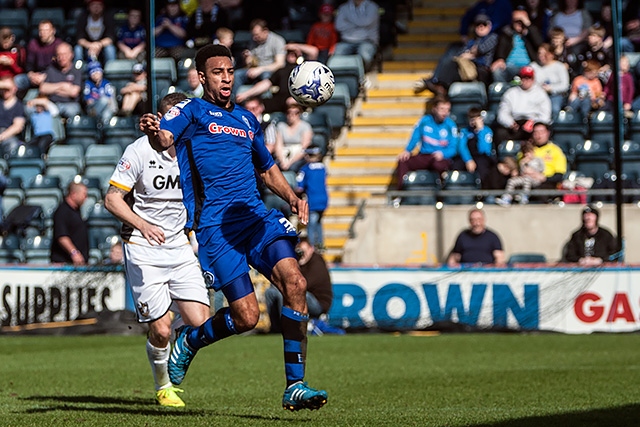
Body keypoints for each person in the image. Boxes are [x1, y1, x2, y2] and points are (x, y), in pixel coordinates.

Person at [141, 44, 327, 412]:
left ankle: (295, 385)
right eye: (217, 72)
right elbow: (164, 138)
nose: (226, 78)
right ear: (202, 77)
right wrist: (151, 130)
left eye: (229, 71)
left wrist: (291, 195)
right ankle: (191, 341)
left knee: (296, 282)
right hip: (216, 228)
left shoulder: (246, 120)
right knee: (246, 317)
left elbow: (267, 167)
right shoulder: (190, 111)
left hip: (255, 218)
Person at [104, 92, 210, 408]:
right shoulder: (137, 151)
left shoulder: (192, 150)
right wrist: (142, 224)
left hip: (178, 245)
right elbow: (111, 199)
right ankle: (163, 386)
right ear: (163, 119)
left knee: (201, 323)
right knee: (161, 330)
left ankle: (167, 331)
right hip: (143, 247)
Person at [265, 237, 339, 334]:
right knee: (270, 292)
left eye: (304, 251)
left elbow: (303, 284)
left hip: (318, 302)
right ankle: (276, 328)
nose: (302, 254)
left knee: (285, 293)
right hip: (303, 295)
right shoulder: (296, 261)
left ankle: (287, 328)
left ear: (311, 249)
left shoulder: (317, 262)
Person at [414, 14, 498, 94]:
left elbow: (481, 49)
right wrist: (471, 53)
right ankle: (438, 83)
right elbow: (462, 53)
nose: (481, 27)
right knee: (451, 56)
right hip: (467, 67)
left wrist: (471, 54)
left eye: (484, 24)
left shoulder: (492, 37)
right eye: (477, 24)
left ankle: (436, 82)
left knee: (453, 57)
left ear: (489, 26)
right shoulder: (472, 40)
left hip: (480, 68)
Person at [396, 96, 458, 190]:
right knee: (403, 160)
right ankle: (400, 194)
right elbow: (415, 137)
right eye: (442, 109)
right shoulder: (424, 121)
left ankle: (440, 194)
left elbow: (454, 147)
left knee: (438, 164)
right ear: (434, 109)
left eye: (447, 110)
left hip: (441, 157)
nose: (445, 112)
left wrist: (443, 154)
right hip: (425, 156)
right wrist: (407, 150)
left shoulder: (451, 125)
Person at [494, 65, 551, 145]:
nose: (526, 80)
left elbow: (545, 115)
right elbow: (503, 113)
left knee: (538, 132)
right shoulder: (511, 93)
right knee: (500, 132)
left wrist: (533, 123)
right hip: (515, 123)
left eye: (529, 78)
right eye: (524, 77)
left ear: (533, 79)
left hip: (532, 123)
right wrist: (510, 123)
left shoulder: (541, 93)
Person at [235, 47, 300, 113]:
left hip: (299, 104)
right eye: (289, 52)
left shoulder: (304, 71)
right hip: (280, 102)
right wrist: (245, 94)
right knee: (255, 105)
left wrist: (297, 100)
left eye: (294, 54)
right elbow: (266, 83)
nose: (291, 55)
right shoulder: (281, 71)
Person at [233, 19, 286, 97]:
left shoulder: (277, 41)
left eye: (257, 35)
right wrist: (247, 58)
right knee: (237, 74)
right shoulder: (253, 41)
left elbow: (280, 64)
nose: (255, 38)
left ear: (265, 31)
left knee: (266, 76)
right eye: (253, 35)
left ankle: (264, 102)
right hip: (254, 69)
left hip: (270, 71)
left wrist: (260, 69)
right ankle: (233, 100)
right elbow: (249, 63)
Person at [490, 8, 544, 83]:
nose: (519, 24)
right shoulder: (507, 34)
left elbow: (540, 44)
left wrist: (528, 24)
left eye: (521, 22)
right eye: (516, 21)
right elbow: (501, 49)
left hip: (528, 65)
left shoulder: (530, 34)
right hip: (509, 66)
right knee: (497, 71)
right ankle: (503, 92)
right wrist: (500, 59)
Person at [39, 42, 82, 119]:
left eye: (64, 54)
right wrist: (62, 86)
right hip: (52, 104)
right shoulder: (51, 69)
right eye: (59, 55)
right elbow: (43, 88)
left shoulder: (76, 71)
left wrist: (52, 89)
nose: (61, 57)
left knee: (71, 111)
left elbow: (73, 92)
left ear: (71, 55)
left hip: (70, 104)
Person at [334, 0, 379, 71]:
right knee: (336, 55)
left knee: (365, 55)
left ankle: (362, 76)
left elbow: (367, 21)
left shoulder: (372, 7)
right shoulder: (343, 7)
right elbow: (339, 25)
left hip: (367, 41)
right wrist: (360, 25)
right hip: (346, 41)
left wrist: (349, 21)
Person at [453, 107, 495, 186]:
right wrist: (468, 160)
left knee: (483, 169)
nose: (474, 122)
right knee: (456, 166)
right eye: (472, 119)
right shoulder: (464, 131)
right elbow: (462, 147)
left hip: (482, 157)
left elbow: (484, 149)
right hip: (468, 156)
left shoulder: (487, 131)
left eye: (476, 119)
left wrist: (480, 131)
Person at [50, 182, 89, 266]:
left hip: (78, 263)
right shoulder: (62, 211)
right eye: (84, 195)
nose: (86, 198)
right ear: (74, 194)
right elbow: (61, 236)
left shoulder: (77, 211)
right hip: (64, 263)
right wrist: (74, 253)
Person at [296, 147, 328, 249]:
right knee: (318, 222)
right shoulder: (323, 168)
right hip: (324, 199)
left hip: (313, 200)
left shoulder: (305, 169)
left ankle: (312, 246)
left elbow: (299, 188)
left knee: (311, 224)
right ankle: (320, 244)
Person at [495, 141, 545, 206]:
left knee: (527, 179)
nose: (527, 155)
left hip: (534, 180)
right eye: (525, 153)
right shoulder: (522, 161)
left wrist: (533, 172)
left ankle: (524, 196)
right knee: (512, 181)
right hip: (523, 178)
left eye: (529, 153)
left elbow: (541, 170)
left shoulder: (538, 160)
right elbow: (521, 172)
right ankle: (507, 197)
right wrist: (523, 163)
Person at [531, 43, 570, 120]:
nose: (541, 56)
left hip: (555, 95)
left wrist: (551, 88)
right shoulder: (533, 66)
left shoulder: (560, 66)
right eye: (539, 53)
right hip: (538, 93)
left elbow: (565, 85)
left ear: (551, 54)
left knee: (554, 108)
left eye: (544, 54)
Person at [274, 101, 314, 173]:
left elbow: (304, 148)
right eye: (289, 112)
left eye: (296, 112)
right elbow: (278, 146)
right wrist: (283, 161)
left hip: (298, 155)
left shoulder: (305, 126)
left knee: (294, 167)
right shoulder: (281, 126)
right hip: (284, 154)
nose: (292, 115)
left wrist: (290, 162)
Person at [25, 20, 63, 90]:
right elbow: (29, 64)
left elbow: (60, 66)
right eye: (41, 30)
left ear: (53, 31)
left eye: (46, 30)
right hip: (35, 75)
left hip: (52, 75)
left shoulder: (59, 45)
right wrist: (31, 75)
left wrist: (46, 76)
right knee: (18, 80)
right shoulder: (33, 44)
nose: (43, 33)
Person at [530, 121, 567, 192]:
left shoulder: (556, 150)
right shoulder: (528, 150)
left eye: (541, 132)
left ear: (548, 133)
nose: (539, 135)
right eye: (536, 132)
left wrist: (544, 178)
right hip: (527, 180)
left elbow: (559, 175)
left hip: (547, 183)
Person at [0, 77, 26, 155]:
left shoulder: (19, 106)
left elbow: (17, 127)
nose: (5, 91)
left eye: (8, 89)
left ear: (14, 89)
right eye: (3, 89)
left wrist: (1, 137)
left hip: (9, 135)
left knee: (12, 145)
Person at [0, 27, 28, 93]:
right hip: (1, 79)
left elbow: (22, 71)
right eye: (3, 42)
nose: (5, 45)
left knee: (20, 80)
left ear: (12, 38)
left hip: (14, 79)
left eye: (7, 42)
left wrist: (11, 64)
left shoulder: (19, 50)